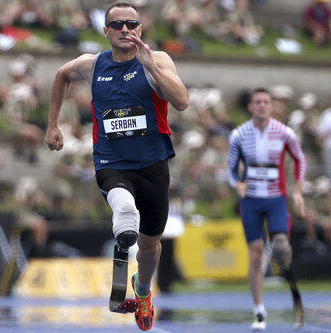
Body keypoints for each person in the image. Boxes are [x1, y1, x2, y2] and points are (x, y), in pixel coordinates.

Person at [45, 2, 188, 330]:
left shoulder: (159, 59)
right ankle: (124, 225)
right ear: (106, 31)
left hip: (153, 164)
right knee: (125, 213)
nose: (125, 29)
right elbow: (60, 75)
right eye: (117, 24)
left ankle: (142, 289)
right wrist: (52, 124)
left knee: (150, 247)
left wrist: (150, 66)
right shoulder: (92, 65)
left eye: (131, 23)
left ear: (140, 29)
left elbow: (181, 101)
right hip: (112, 163)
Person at [227, 88, 306, 331]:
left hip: (275, 199)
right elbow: (230, 169)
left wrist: (297, 191)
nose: (261, 106)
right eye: (257, 102)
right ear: (251, 106)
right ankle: (259, 309)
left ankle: (291, 282)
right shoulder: (239, 134)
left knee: (281, 246)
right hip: (250, 201)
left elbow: (300, 159)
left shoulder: (284, 133)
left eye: (266, 102)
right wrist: (236, 184)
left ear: (271, 106)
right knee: (256, 254)